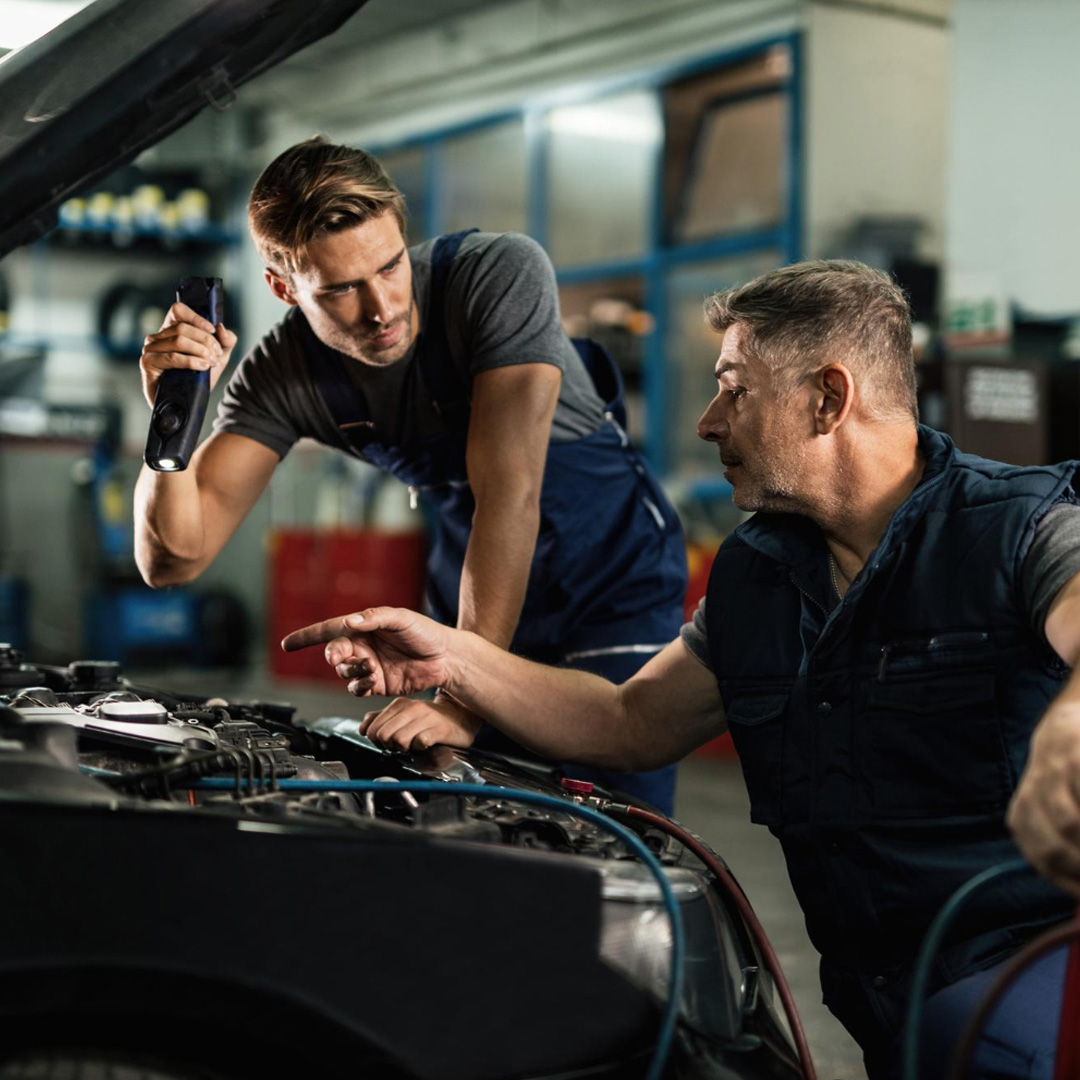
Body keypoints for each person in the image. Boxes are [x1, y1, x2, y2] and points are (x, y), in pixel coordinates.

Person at [282, 260, 1080, 1080]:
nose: (707, 420)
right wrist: (453, 655)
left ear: (828, 399)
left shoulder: (1016, 529)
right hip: (888, 1015)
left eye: (734, 389)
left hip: (1035, 992)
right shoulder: (758, 575)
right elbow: (627, 722)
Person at [134, 136, 686, 814]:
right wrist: (171, 415)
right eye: (339, 289)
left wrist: (461, 694)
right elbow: (174, 560)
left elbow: (509, 495)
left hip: (608, 586)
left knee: (612, 823)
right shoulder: (283, 375)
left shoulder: (494, 276)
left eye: (391, 266)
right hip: (472, 599)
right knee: (480, 820)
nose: (382, 307)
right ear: (283, 288)